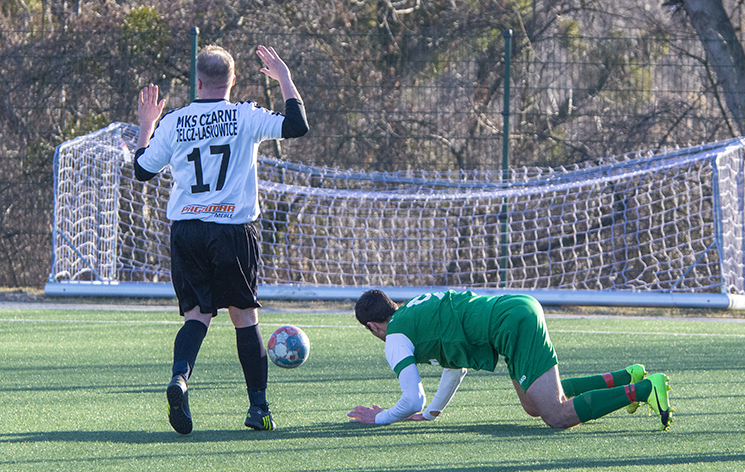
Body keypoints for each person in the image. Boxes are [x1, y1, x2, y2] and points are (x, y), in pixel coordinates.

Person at [133, 44, 308, 434]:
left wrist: (147, 124)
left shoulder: (175, 121)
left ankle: (180, 377)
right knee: (244, 317)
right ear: (233, 81)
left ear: (197, 82)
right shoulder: (245, 115)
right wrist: (284, 79)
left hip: (187, 229)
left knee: (197, 315)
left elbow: (143, 171)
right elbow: (297, 126)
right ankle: (258, 408)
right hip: (233, 229)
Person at [348, 289, 673, 431]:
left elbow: (411, 398)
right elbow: (454, 366)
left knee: (556, 416)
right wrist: (432, 413)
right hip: (513, 310)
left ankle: (643, 390)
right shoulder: (413, 313)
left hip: (511, 324)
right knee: (533, 405)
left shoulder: (394, 338)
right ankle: (625, 378)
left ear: (373, 326)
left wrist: (379, 418)